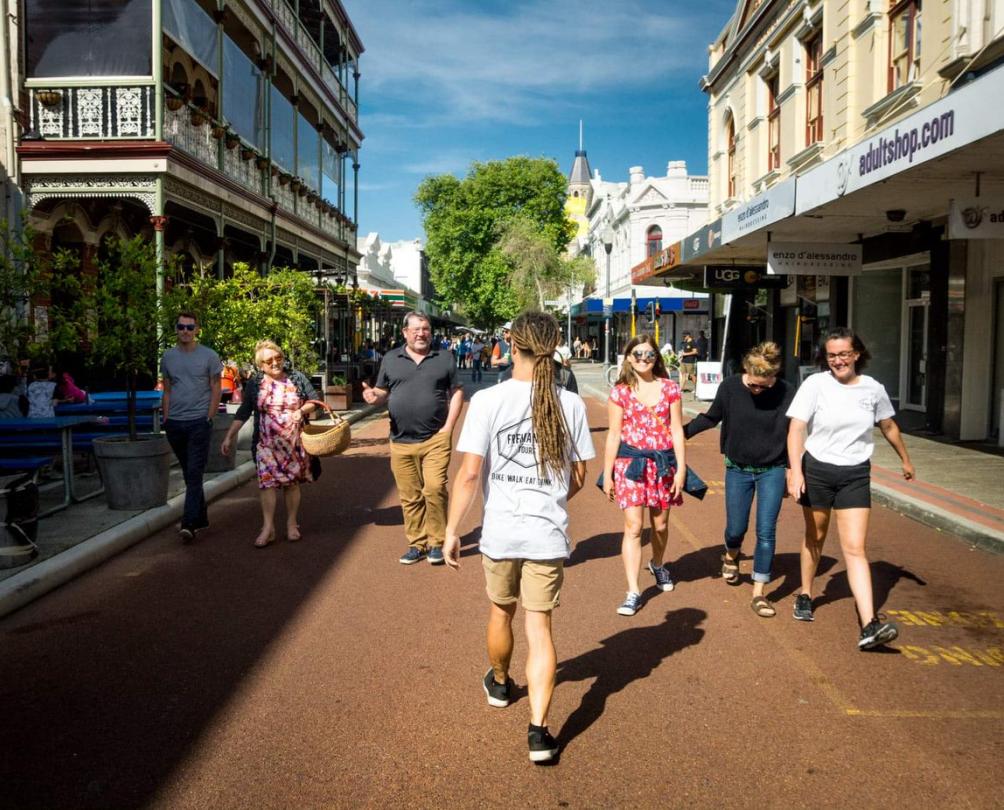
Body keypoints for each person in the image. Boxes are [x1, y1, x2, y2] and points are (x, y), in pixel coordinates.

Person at [443, 311, 594, 764]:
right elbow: (581, 475)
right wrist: (549, 496)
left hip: (501, 531)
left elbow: (469, 475)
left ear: (513, 346)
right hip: (547, 532)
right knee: (540, 628)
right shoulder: (570, 403)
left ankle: (502, 682)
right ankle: (539, 733)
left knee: (500, 612)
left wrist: (451, 531)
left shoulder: (488, 401)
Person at [786, 327, 915, 650]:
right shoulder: (815, 384)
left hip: (855, 473)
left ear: (857, 354)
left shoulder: (873, 389)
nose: (838, 360)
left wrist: (905, 460)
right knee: (815, 536)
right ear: (825, 357)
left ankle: (869, 623)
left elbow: (887, 425)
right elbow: (796, 428)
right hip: (817, 470)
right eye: (832, 355)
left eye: (844, 354)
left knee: (855, 548)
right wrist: (796, 471)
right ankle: (805, 592)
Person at [684, 342, 794, 617]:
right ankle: (731, 554)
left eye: (764, 386)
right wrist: (678, 434)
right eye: (754, 385)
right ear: (746, 371)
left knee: (766, 531)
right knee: (736, 528)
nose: (758, 391)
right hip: (738, 468)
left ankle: (759, 593)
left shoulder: (786, 392)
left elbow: (796, 431)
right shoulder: (731, 387)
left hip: (773, 468)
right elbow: (711, 417)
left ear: (774, 378)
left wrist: (794, 469)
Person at [362, 311, 464, 565]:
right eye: (416, 329)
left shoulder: (444, 358)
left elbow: (457, 391)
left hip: (435, 438)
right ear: (405, 332)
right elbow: (382, 391)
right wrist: (374, 397)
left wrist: (449, 427)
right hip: (400, 440)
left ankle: (437, 542)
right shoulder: (391, 358)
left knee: (434, 488)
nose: (421, 333)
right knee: (410, 495)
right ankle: (416, 543)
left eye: (426, 329)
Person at [602, 334, 686, 617]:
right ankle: (633, 591)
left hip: (662, 464)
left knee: (660, 526)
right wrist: (608, 473)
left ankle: (658, 564)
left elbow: (676, 430)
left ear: (656, 358)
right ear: (628, 358)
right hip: (631, 464)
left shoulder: (671, 389)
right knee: (634, 527)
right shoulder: (620, 392)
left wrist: (682, 469)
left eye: (649, 354)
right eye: (637, 354)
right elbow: (614, 433)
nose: (643, 359)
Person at [221, 341, 318, 547]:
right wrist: (229, 436)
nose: (275, 363)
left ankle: (292, 524)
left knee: (291, 484)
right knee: (266, 484)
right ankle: (268, 528)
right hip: (265, 444)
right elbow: (244, 411)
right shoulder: (255, 384)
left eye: (278, 358)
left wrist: (301, 411)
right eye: (269, 361)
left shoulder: (296, 378)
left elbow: (314, 401)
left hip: (293, 442)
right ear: (261, 365)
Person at [161, 311, 223, 543]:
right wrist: (166, 418)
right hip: (175, 423)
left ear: (197, 329)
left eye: (189, 327)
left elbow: (216, 388)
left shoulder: (209, 356)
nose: (185, 331)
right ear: (176, 329)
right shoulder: (167, 357)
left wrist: (209, 416)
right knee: (189, 473)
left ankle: (188, 523)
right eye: (181, 327)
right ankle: (202, 517)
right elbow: (166, 388)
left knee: (195, 473)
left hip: (199, 421)